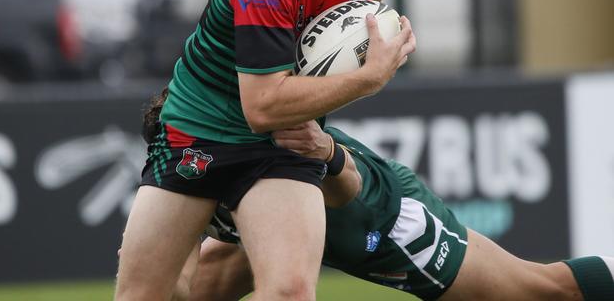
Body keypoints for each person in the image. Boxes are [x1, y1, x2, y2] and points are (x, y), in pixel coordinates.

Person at [115, 0, 416, 301]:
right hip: (201, 125)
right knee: (150, 295)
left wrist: (358, 61)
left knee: (290, 293)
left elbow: (351, 24)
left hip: (283, 140)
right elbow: (263, 106)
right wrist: (368, 77)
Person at [135, 100, 612, 301]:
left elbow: (347, 191)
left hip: (383, 221)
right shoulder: (182, 169)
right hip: (301, 231)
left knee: (546, 291)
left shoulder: (266, 145)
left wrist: (327, 153)